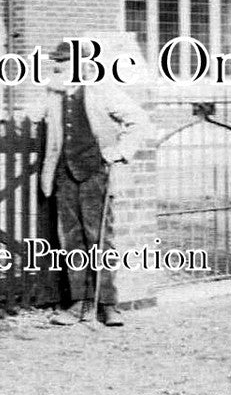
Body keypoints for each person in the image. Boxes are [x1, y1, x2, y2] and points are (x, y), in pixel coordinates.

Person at [32, 41, 153, 327]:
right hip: (64, 174)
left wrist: (118, 152)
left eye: (63, 63)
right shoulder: (52, 93)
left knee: (99, 239)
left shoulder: (102, 89)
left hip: (95, 173)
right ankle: (79, 302)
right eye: (56, 63)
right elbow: (31, 115)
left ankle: (108, 304)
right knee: (71, 240)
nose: (58, 68)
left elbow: (138, 119)